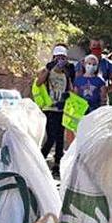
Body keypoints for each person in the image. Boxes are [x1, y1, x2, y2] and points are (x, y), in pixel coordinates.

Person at [37, 44, 72, 174]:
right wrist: (48, 68)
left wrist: (68, 96)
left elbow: (71, 89)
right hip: (49, 108)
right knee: (51, 137)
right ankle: (40, 159)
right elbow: (38, 83)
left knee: (59, 138)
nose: (61, 61)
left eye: (63, 58)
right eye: (58, 58)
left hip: (61, 108)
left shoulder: (66, 74)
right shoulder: (47, 70)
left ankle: (57, 164)